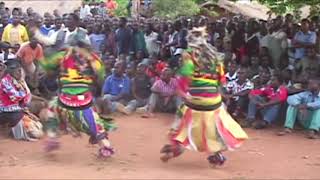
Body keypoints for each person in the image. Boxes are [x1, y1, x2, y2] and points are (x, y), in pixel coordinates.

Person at [159, 27, 247, 166]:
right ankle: (217, 154)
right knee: (214, 124)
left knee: (183, 117)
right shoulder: (214, 55)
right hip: (213, 100)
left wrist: (182, 91)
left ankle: (177, 146)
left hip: (196, 100)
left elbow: (186, 76)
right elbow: (221, 80)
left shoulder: (189, 54)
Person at [33, 13, 115, 158]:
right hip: (84, 99)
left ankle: (52, 138)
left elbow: (46, 66)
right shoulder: (92, 58)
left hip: (65, 99)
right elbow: (101, 74)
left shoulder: (62, 55)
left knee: (51, 110)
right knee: (94, 122)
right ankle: (106, 147)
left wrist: (41, 57)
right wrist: (96, 87)